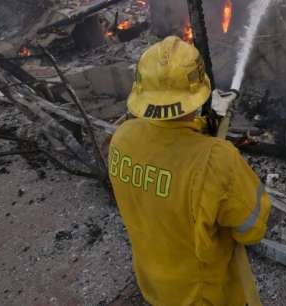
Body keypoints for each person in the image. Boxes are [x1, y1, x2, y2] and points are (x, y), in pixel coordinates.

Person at [109, 35, 270, 305]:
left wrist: (208, 125)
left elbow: (168, 161)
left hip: (153, 282)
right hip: (203, 294)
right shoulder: (217, 160)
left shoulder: (122, 137)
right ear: (199, 89)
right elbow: (251, 230)